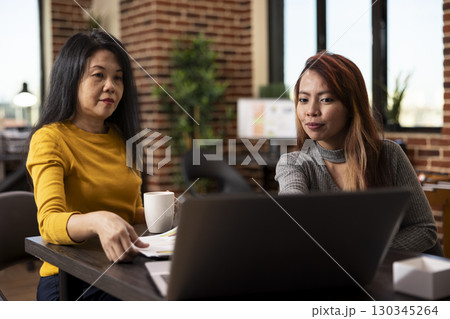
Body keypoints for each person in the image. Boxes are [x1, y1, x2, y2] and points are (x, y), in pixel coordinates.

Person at [26, 30, 149, 300]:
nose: (111, 86)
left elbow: (129, 212)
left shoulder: (126, 140)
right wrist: (97, 220)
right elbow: (48, 222)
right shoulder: (51, 139)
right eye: (98, 75)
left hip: (122, 269)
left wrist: (165, 213)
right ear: (71, 78)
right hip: (70, 281)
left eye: (118, 77)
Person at [275, 51, 439, 254]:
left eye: (325, 99)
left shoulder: (389, 155)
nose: (311, 111)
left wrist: (366, 256)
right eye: (303, 99)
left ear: (351, 106)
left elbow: (424, 230)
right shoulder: (294, 163)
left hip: (383, 278)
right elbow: (292, 210)